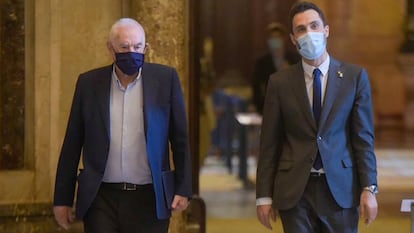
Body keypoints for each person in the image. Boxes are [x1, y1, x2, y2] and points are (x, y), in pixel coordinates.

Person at [53, 18, 192, 233]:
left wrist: (184, 188)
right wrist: (62, 199)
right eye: (124, 47)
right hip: (101, 197)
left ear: (146, 48)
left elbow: (180, 138)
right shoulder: (89, 84)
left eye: (138, 47)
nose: (132, 52)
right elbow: (72, 143)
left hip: (149, 197)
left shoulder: (165, 80)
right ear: (111, 48)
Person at [256, 2, 378, 233]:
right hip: (295, 191)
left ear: (326, 30)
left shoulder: (354, 78)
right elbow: (269, 143)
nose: (308, 33)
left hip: (340, 189)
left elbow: (363, 138)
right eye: (301, 29)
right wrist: (263, 196)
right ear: (293, 38)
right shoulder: (279, 82)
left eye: (314, 25)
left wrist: (369, 188)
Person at [251, 22, 300, 114]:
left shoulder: (294, 59)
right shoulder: (262, 62)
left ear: (284, 39)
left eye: (278, 37)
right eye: (272, 38)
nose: (275, 41)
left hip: (293, 106)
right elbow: (256, 86)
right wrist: (256, 105)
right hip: (270, 107)